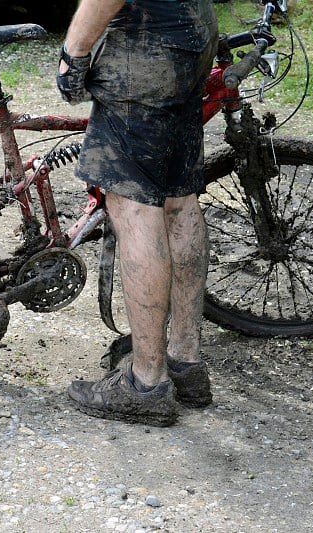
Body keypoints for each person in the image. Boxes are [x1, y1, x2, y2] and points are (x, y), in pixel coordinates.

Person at [56, 0, 219, 426]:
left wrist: (73, 54)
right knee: (178, 201)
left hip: (146, 48)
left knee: (135, 207)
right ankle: (186, 363)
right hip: (192, 33)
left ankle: (145, 383)